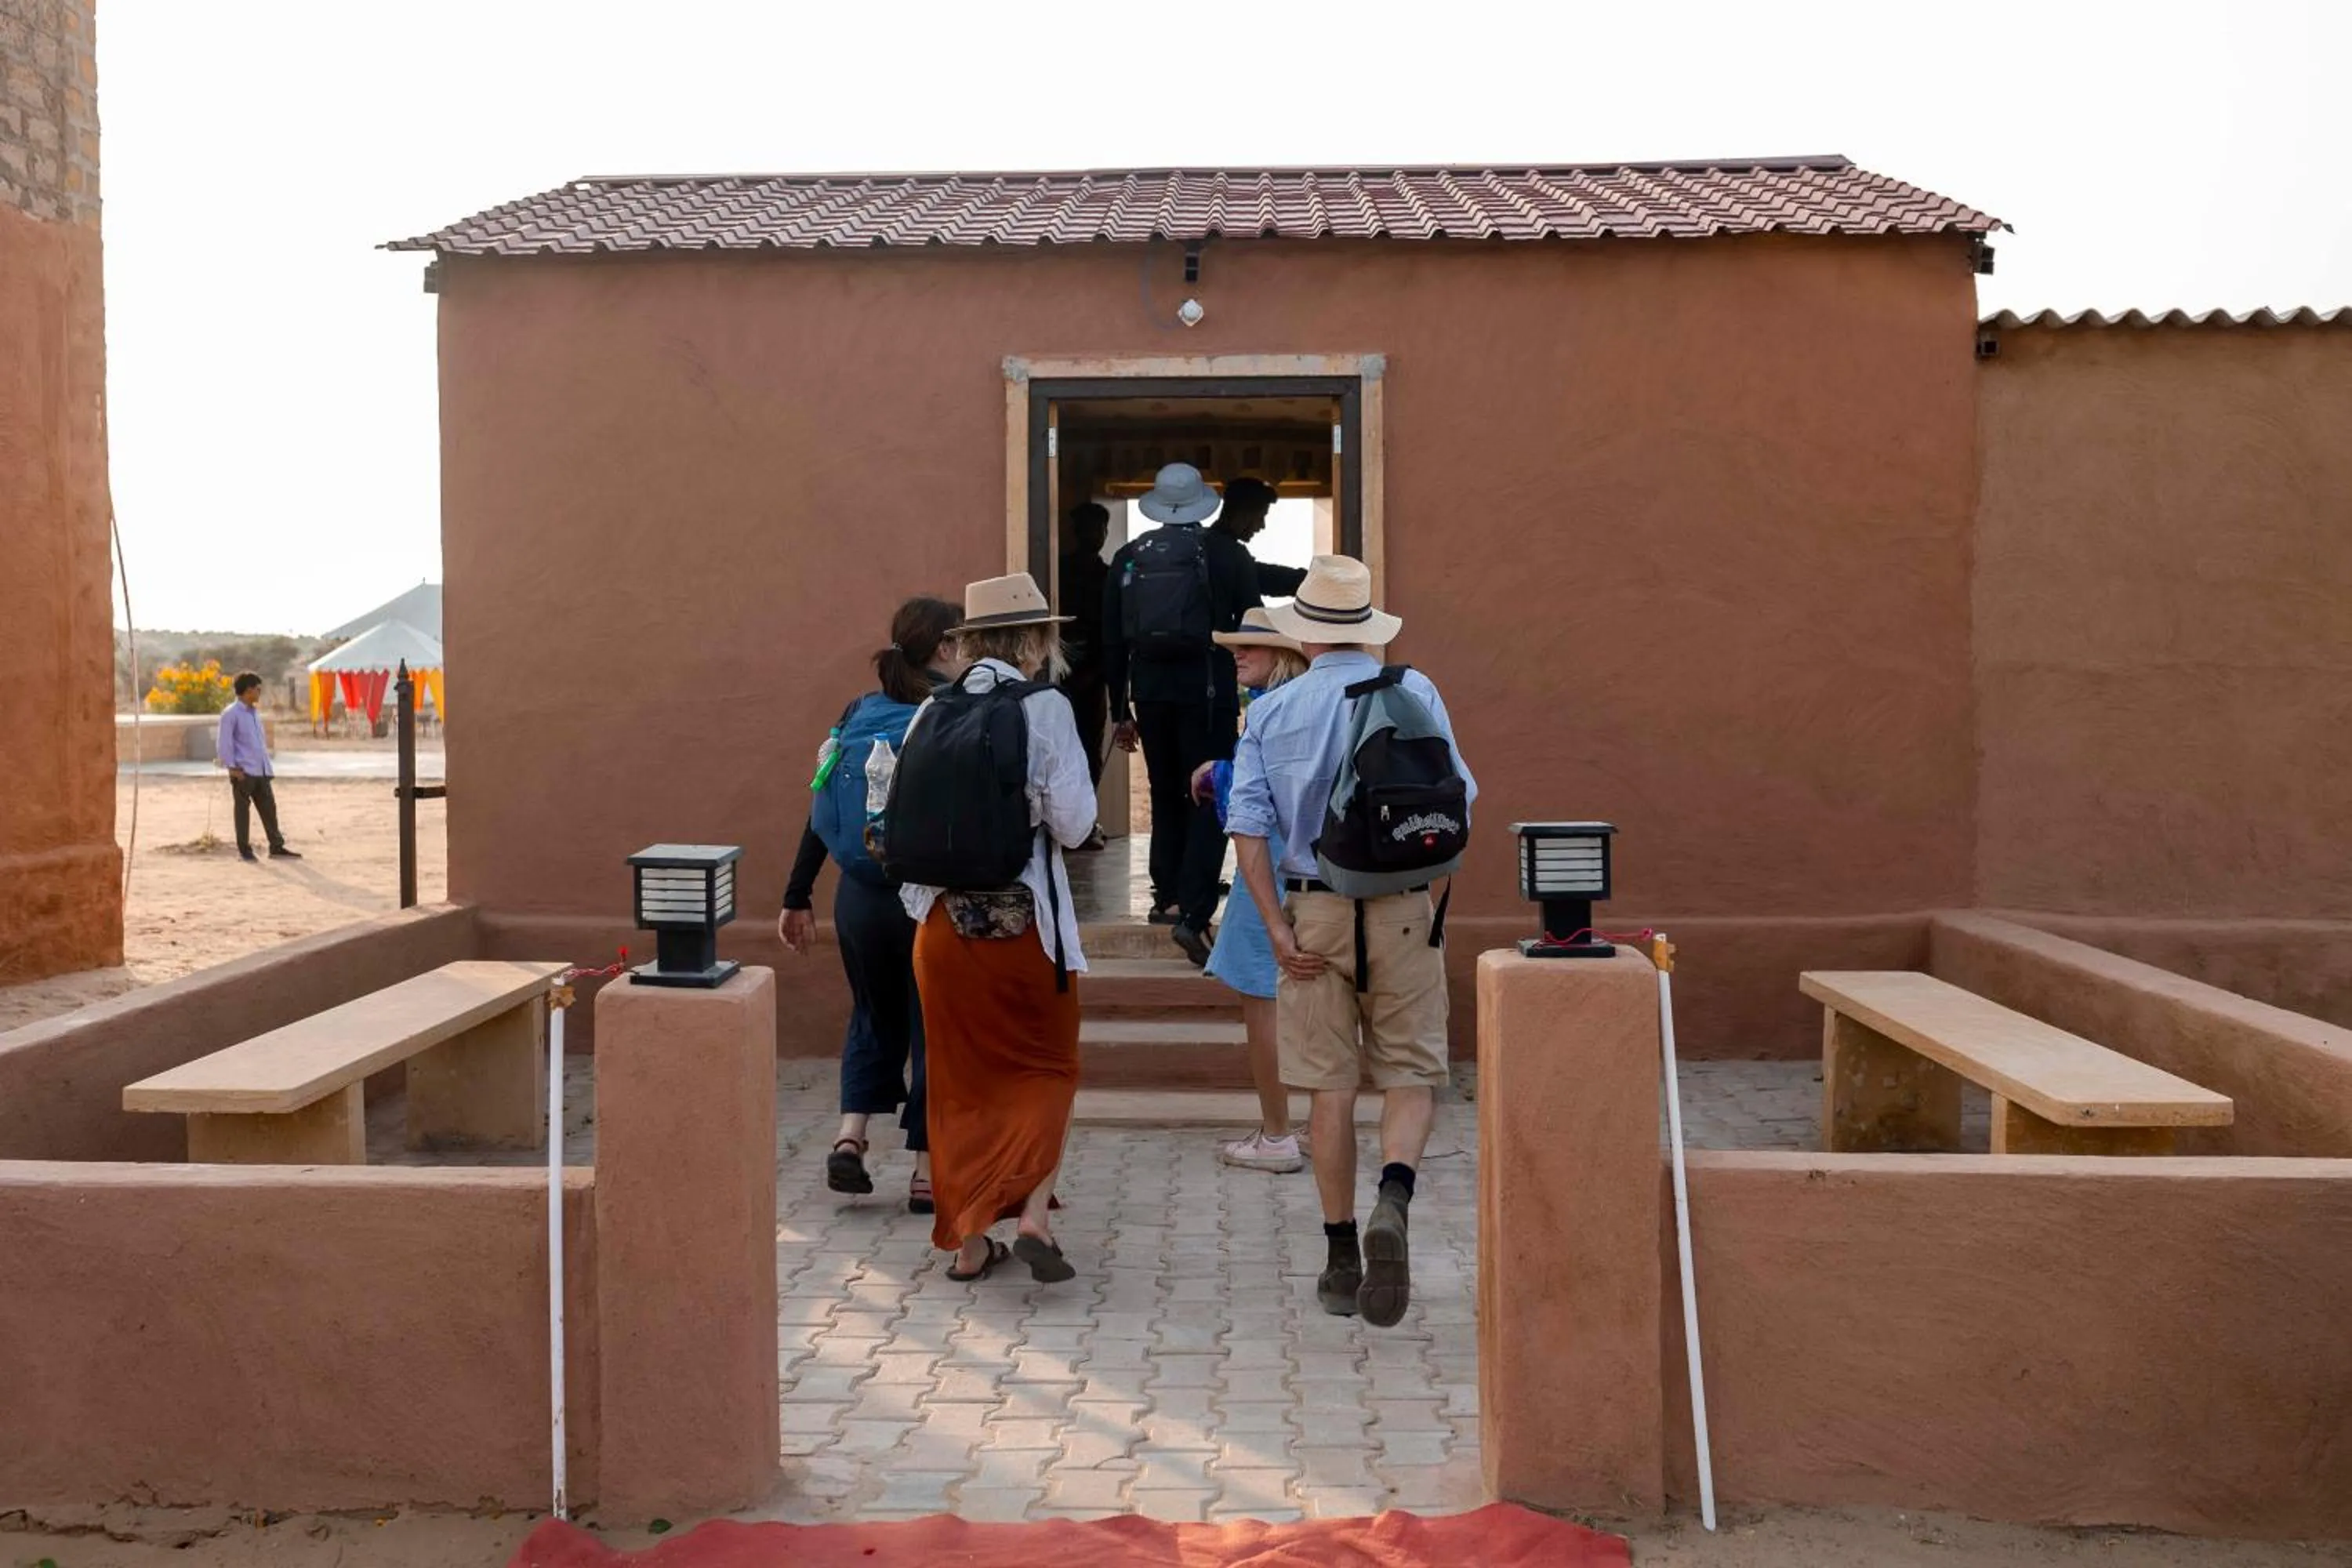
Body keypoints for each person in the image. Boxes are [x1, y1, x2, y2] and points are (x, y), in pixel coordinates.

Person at [1225, 555, 1476, 1328]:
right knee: (1409, 1071)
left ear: (1303, 630)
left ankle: (1340, 1255)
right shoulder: (1416, 691)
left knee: (1328, 1086)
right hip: (1402, 908)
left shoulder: (1271, 708)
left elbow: (1248, 828)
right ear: (1368, 626)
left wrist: (1274, 926)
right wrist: (1425, 889)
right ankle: (1393, 1196)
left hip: (1314, 916)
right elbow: (1460, 795)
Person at [893, 572, 1096, 1285]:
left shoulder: (928, 713)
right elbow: (1074, 824)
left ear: (969, 642)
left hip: (941, 928)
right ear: (1039, 641)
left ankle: (972, 1244)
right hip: (1023, 928)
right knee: (1047, 1069)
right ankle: (1034, 1212)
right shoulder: (1045, 708)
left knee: (958, 1080)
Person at [778, 595, 962, 1214]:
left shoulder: (858, 710)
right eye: (960, 642)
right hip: (925, 895)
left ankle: (850, 1137)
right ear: (943, 648)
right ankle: (925, 1173)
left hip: (856, 897)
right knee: (931, 1026)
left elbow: (820, 802)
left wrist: (797, 893)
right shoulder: (950, 711)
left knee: (871, 1013)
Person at [1102, 463, 1264, 966]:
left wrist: (1119, 710)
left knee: (1166, 790)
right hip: (1209, 694)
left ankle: (1166, 896)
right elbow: (1252, 622)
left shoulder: (1129, 558)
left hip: (1150, 695)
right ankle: (1194, 906)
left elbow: (1112, 639)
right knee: (1209, 791)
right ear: (1201, 505)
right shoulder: (1227, 555)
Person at [1190, 608, 1310, 1172]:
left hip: (1267, 870)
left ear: (1283, 655)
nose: (1238, 655)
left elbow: (1250, 810)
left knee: (1261, 1001)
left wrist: (1220, 775)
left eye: (1251, 647)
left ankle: (1278, 1134)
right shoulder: (1318, 704)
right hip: (1321, 872)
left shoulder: (1266, 711)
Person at [1057, 502, 1113, 849]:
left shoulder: (1105, 574)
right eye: (1094, 528)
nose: (1098, 535)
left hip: (1091, 676)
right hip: (1070, 676)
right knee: (1072, 752)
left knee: (1087, 752)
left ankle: (1083, 822)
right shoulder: (1063, 572)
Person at [218, 672, 298, 862]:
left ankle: (276, 846)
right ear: (248, 690)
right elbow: (224, 744)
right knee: (242, 812)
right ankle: (245, 851)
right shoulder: (231, 714)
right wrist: (232, 768)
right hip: (243, 772)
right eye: (257, 689)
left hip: (261, 770)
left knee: (269, 809)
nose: (260, 692)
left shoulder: (254, 714)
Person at [1212, 477, 1309, 600]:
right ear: (1245, 514)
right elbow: (1265, 579)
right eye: (1261, 517)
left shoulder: (1211, 546)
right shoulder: (1230, 555)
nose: (1262, 526)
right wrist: (1314, 581)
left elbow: (1265, 575)